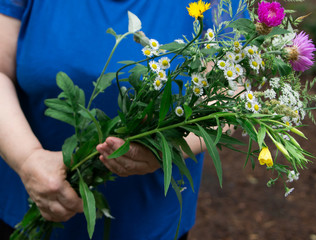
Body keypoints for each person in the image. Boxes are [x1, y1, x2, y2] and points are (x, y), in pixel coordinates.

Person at [0, 0, 248, 239]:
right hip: (26, 200)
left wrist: (165, 150)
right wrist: (27, 159)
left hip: (149, 218)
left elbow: (231, 93)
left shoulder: (222, 4)